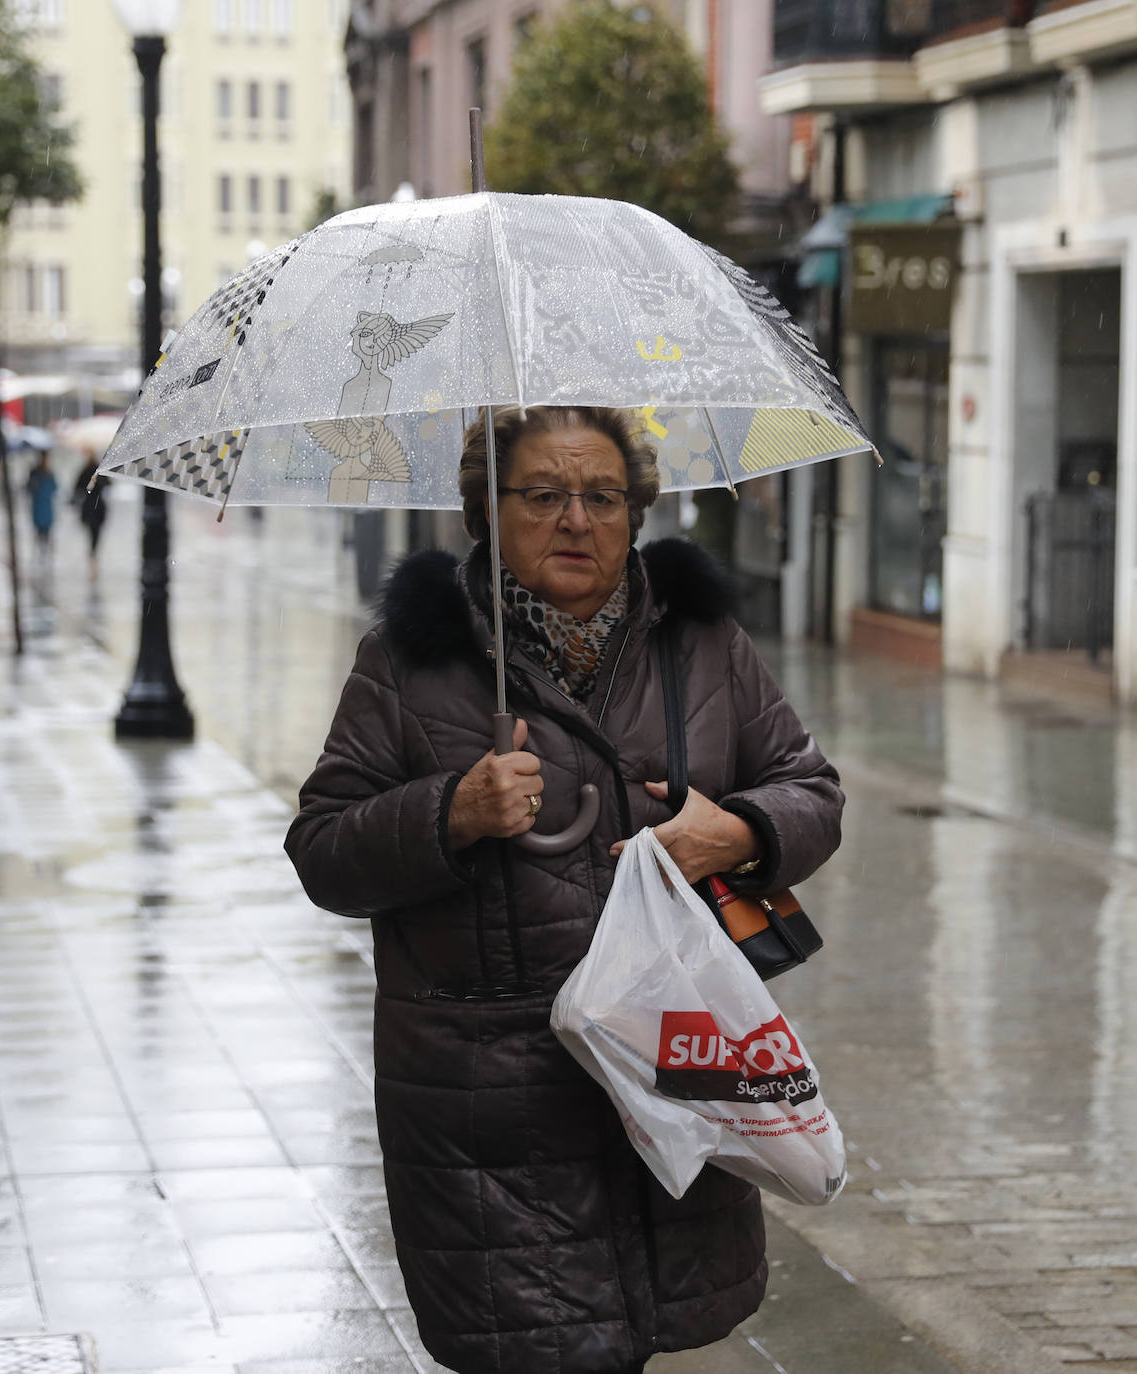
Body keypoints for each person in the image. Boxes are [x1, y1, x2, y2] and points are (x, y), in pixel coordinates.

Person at [285, 406, 844, 1374]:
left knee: (645, 1333)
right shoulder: (409, 662)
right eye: (541, 496)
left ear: (636, 512)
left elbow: (810, 788)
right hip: (491, 1111)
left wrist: (744, 832)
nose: (575, 520)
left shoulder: (698, 644)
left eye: (602, 496)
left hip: (673, 1066)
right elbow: (323, 850)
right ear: (485, 512)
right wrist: (448, 811)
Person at [72, 450, 107, 565]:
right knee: (93, 532)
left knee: (94, 532)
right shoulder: (90, 471)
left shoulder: (96, 471)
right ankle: (93, 553)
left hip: (95, 506)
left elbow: (78, 488)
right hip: (93, 506)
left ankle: (93, 553)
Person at [25, 449, 58, 558]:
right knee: (39, 532)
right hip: (38, 507)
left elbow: (54, 488)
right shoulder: (35, 473)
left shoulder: (49, 473)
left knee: (47, 532)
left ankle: (46, 555)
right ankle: (40, 554)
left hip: (46, 508)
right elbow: (28, 489)